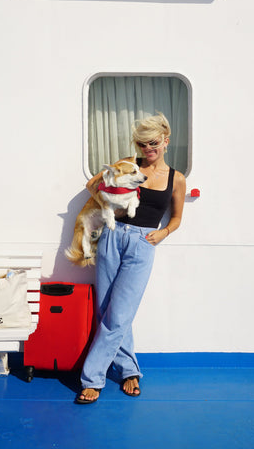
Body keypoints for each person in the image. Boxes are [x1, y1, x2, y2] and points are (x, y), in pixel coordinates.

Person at [76, 112, 186, 404]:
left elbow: (175, 219)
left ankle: (92, 379)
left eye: (152, 144)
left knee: (120, 314)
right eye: (141, 145)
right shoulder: (129, 164)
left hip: (143, 243)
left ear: (166, 140)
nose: (147, 150)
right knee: (106, 310)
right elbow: (93, 185)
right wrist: (110, 205)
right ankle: (129, 371)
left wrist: (163, 234)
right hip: (114, 235)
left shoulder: (176, 179)